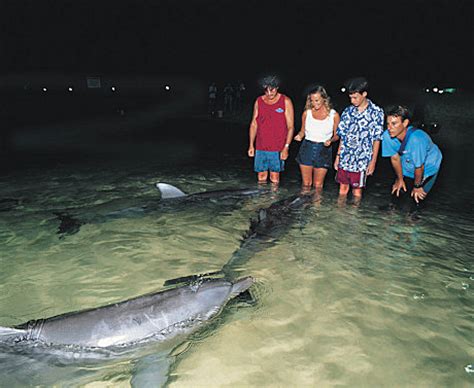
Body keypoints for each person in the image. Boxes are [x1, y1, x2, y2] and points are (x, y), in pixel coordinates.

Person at [334, 77, 384, 201]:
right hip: (345, 157)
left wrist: (373, 162)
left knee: (357, 191)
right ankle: (339, 215)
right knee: (342, 189)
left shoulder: (376, 112)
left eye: (355, 97)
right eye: (350, 97)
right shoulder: (347, 111)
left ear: (364, 94)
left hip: (362, 160)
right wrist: (338, 156)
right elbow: (342, 136)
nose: (352, 100)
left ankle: (354, 217)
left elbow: (377, 139)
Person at [382, 105, 442, 204]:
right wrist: (400, 179)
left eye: (394, 124)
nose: (389, 128)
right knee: (397, 193)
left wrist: (417, 186)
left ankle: (413, 216)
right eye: (387, 124)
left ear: (405, 123)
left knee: (417, 198)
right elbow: (395, 158)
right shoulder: (387, 136)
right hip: (407, 163)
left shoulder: (417, 139)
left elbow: (419, 167)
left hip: (428, 166)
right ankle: (391, 214)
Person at [247, 75, 294, 184]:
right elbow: (254, 123)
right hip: (260, 146)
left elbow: (291, 127)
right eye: (266, 90)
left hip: (277, 147)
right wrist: (251, 145)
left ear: (277, 87)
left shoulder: (285, 101)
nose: (269, 93)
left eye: (272, 90)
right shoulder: (259, 101)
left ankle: (274, 198)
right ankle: (262, 200)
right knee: (261, 176)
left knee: (274, 177)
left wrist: (286, 147)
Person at [294, 86, 340, 190]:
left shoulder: (334, 115)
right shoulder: (307, 113)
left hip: (324, 149)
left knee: (318, 185)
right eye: (312, 100)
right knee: (306, 184)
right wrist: (299, 136)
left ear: (324, 98)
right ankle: (304, 205)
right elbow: (302, 131)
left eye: (317, 100)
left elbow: (337, 135)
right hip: (307, 148)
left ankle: (317, 206)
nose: (314, 103)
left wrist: (331, 140)